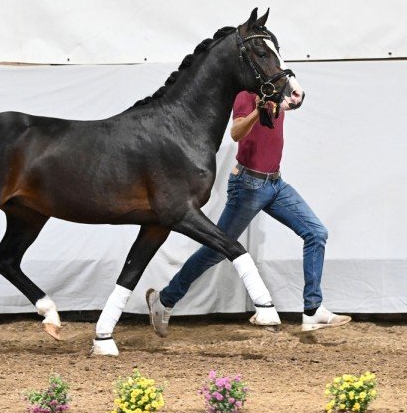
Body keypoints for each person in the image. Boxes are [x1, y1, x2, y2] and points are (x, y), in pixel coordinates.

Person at [146, 91, 351, 335]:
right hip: (248, 185)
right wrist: (257, 111)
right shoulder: (246, 95)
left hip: (276, 184)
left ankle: (312, 310)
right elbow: (235, 132)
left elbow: (290, 103)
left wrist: (296, 98)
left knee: (316, 233)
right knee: (215, 250)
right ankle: (164, 300)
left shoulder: (275, 92)